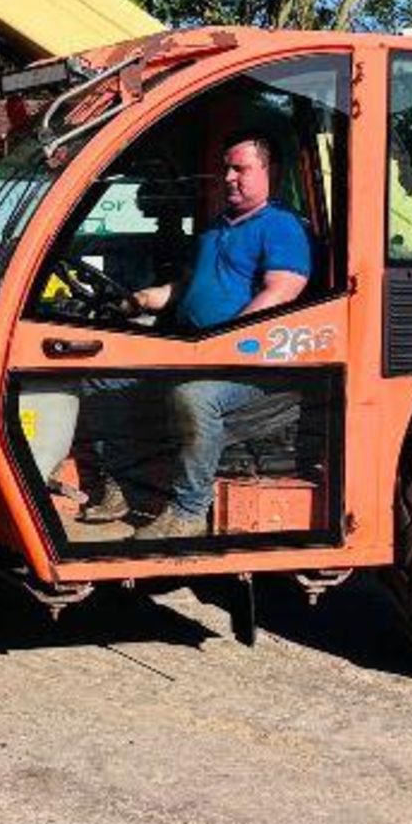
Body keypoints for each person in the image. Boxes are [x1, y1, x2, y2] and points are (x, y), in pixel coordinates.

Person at [79, 133, 311, 538]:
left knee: (195, 397)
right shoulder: (215, 229)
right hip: (193, 351)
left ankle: (187, 511)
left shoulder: (281, 227)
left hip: (251, 368)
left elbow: (282, 292)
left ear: (270, 172)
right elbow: (187, 287)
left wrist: (224, 340)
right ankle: (122, 485)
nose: (229, 177)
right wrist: (144, 299)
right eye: (226, 168)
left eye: (241, 169)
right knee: (101, 375)